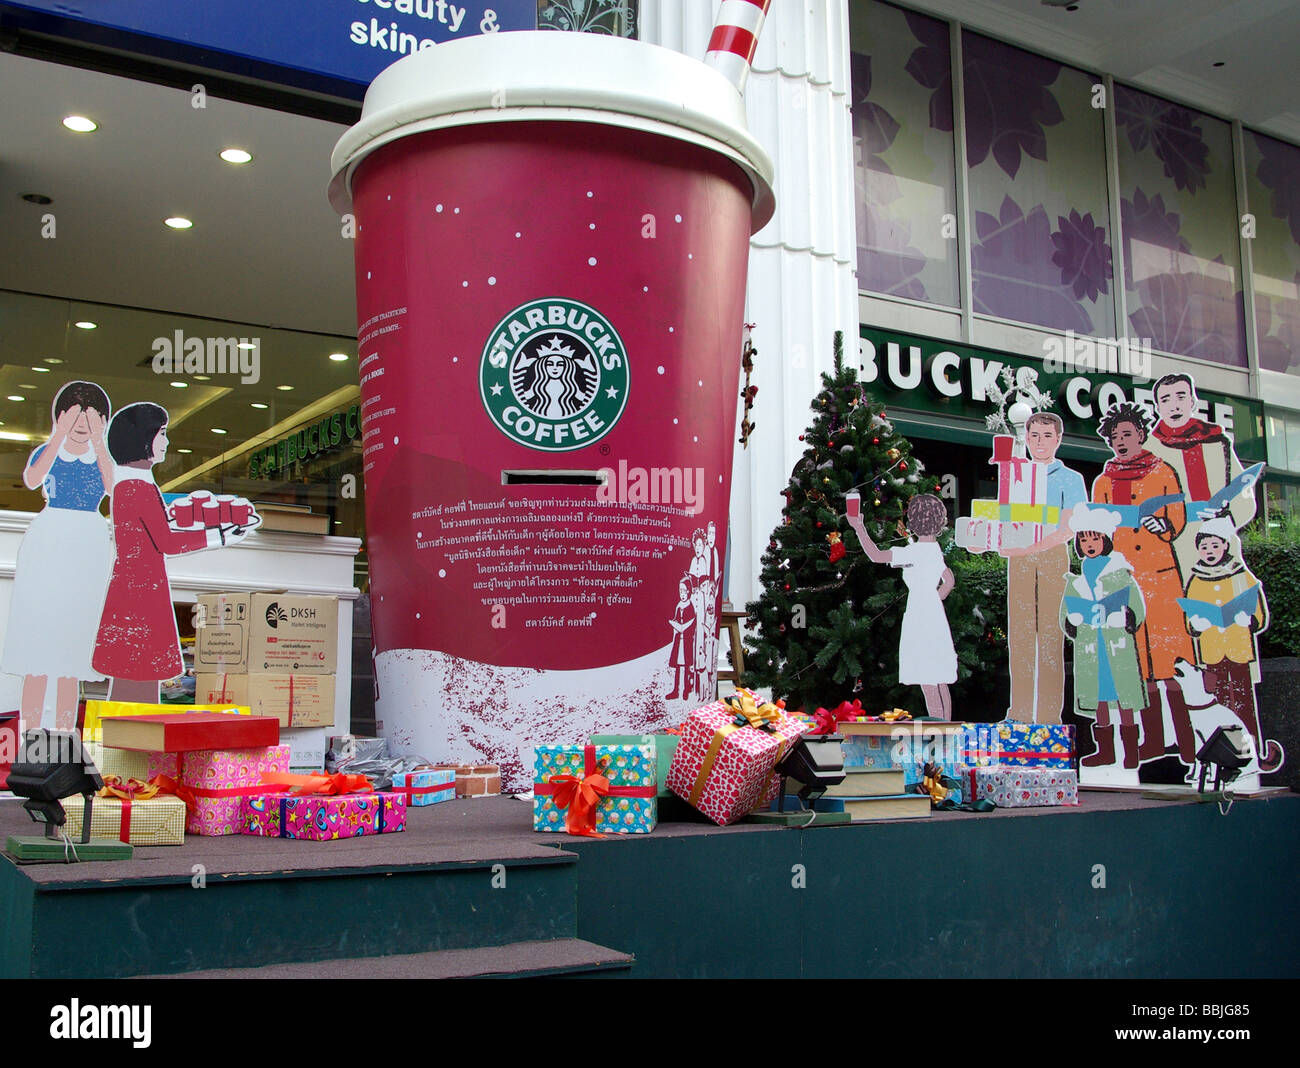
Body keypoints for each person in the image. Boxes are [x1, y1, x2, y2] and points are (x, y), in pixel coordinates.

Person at [92, 403, 251, 702]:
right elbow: (166, 542)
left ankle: (126, 739)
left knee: (133, 677)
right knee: (139, 678)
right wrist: (218, 535)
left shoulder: (129, 483)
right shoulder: (136, 486)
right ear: (143, 438)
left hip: (134, 586)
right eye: (162, 433)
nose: (166, 442)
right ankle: (132, 741)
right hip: (141, 591)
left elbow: (157, 533)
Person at [1, 381, 114, 729]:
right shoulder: (49, 451)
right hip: (49, 540)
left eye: (92, 414)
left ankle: (64, 733)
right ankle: (31, 733)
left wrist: (98, 441)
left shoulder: (101, 457)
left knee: (71, 655)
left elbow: (114, 488)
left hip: (89, 543)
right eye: (75, 412)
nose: (83, 420)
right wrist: (56, 436)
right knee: (39, 648)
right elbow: (33, 478)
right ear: (60, 415)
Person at [1091, 402, 1197, 762]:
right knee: (1137, 666)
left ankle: (1188, 743)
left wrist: (1164, 527)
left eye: (1127, 434)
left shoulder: (1162, 471)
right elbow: (1099, 528)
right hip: (1123, 580)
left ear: (1141, 434)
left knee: (1170, 665)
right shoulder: (1104, 481)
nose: (1120, 441)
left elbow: (1177, 513)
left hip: (1162, 579)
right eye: (1115, 436)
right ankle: (1152, 742)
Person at [999, 412, 1087, 724]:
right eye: (1034, 435)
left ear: (1058, 439)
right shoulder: (1016, 473)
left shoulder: (1071, 479)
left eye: (1046, 435)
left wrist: (1029, 546)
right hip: (1019, 560)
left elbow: (1068, 528)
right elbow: (1006, 518)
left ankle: (1050, 715)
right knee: (1020, 635)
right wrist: (995, 539)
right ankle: (1020, 711)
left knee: (1050, 635)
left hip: (1052, 559)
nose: (1039, 442)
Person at [1181, 518, 1281, 770]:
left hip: (1238, 650)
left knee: (1243, 704)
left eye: (1214, 545)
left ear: (1225, 546)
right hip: (1212, 653)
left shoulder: (1241, 576)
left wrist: (1247, 618)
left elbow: (1258, 613)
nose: (1210, 551)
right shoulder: (1196, 579)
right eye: (1204, 547)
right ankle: (1224, 757)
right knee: (1220, 705)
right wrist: (1198, 622)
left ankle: (1251, 754)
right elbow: (1189, 616)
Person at [846, 493, 956, 718]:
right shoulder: (934, 549)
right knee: (939, 677)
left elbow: (876, 555)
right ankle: (946, 724)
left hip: (919, 614)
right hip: (934, 613)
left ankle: (938, 727)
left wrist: (859, 528)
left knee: (928, 678)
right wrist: (937, 597)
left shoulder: (914, 552)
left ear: (913, 522)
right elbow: (949, 579)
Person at [1060, 506, 1147, 770]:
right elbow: (1068, 608)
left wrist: (1127, 616)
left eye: (1094, 539)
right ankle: (1105, 750)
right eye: (1084, 540)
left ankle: (1131, 751)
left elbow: (1136, 605)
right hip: (1090, 644)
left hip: (1116, 642)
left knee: (1124, 695)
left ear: (1105, 540)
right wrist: (1072, 621)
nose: (1089, 544)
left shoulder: (1121, 572)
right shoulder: (1076, 580)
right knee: (1097, 697)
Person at [1147, 373, 1257, 577]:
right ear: (1157, 407)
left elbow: (1242, 491)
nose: (1174, 406)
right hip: (1172, 542)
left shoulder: (1216, 442)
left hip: (1219, 538)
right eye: (1166, 399)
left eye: (1181, 397)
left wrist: (1229, 520)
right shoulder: (1149, 449)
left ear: (1192, 401)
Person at [666, 577, 696, 700]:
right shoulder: (679, 606)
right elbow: (675, 619)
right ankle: (676, 690)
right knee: (678, 666)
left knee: (686, 665)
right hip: (679, 640)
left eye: (684, 591)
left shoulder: (690, 607)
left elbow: (687, 625)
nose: (682, 594)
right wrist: (674, 623)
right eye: (680, 591)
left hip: (687, 640)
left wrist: (677, 625)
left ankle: (685, 690)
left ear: (689, 591)